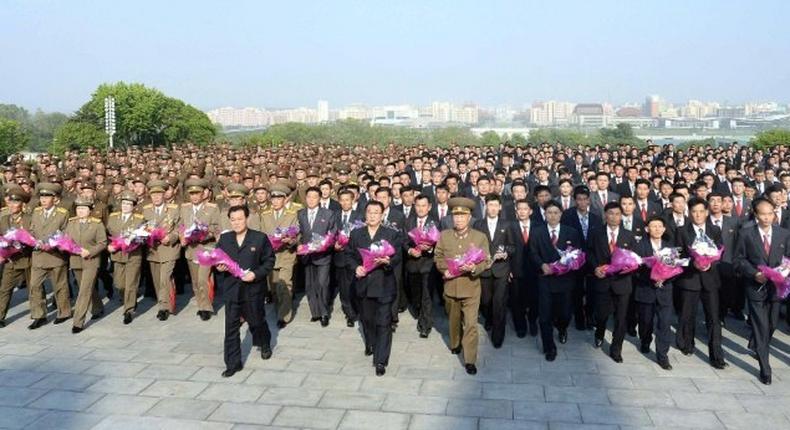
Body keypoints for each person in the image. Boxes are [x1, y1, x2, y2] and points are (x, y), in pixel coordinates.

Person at [215, 205, 276, 378]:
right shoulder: (225, 238)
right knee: (231, 327)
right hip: (232, 290)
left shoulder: (259, 238)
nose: (236, 223)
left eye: (240, 219)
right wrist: (219, 267)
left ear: (247, 218)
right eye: (233, 220)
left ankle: (264, 343)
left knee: (256, 321)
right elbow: (218, 258)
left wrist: (255, 274)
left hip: (253, 289)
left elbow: (269, 261)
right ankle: (233, 363)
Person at [734, 198, 790, 385]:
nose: (766, 218)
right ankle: (765, 368)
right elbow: (739, 260)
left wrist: (784, 271)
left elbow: (788, 258)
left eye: (770, 214)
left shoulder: (783, 234)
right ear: (756, 215)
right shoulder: (746, 234)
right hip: (755, 286)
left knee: (772, 323)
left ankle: (757, 344)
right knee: (761, 325)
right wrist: (754, 273)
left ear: (774, 214)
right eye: (762, 214)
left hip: (776, 288)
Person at [434, 197, 492, 375]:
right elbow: (438, 257)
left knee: (471, 324)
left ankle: (470, 359)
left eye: (462, 216)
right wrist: (444, 270)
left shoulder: (479, 237)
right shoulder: (444, 236)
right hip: (451, 286)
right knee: (453, 320)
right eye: (455, 216)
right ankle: (455, 342)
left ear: (469, 218)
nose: (458, 219)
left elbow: (487, 261)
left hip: (471, 287)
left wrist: (475, 267)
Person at [348, 200, 402, 376]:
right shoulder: (356, 234)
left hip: (384, 285)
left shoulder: (390, 234)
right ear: (365, 214)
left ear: (382, 215)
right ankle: (370, 343)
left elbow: (398, 255)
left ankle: (381, 360)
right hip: (363, 285)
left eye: (376, 212)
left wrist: (388, 261)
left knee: (384, 323)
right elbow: (349, 255)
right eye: (369, 212)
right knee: (367, 320)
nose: (372, 215)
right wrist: (356, 267)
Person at [674, 197, 728, 369]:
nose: (697, 215)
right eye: (694, 212)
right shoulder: (682, 231)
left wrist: (710, 262)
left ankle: (716, 355)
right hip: (690, 279)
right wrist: (693, 263)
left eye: (701, 211)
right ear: (689, 213)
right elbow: (678, 255)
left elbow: (720, 251)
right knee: (687, 315)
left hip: (710, 280)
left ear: (706, 212)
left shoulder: (714, 229)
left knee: (713, 317)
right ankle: (687, 344)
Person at [529, 200, 582, 361]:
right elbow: (532, 252)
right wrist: (541, 265)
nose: (552, 216)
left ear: (561, 214)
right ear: (545, 214)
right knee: (545, 315)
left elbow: (578, 253)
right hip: (545, 279)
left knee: (565, 313)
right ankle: (549, 347)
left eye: (556, 212)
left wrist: (570, 263)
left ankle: (562, 327)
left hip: (565, 280)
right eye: (549, 213)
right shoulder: (537, 232)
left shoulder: (571, 232)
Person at [589, 201, 636, 363]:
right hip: (602, 281)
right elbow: (589, 252)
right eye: (611, 214)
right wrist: (595, 267)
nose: (614, 217)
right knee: (601, 314)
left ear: (621, 216)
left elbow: (634, 259)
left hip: (622, 283)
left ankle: (616, 349)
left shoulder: (629, 235)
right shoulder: (596, 233)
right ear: (605, 215)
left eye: (617, 214)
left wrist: (628, 267)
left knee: (621, 318)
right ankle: (599, 332)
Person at [473, 194, 515, 348]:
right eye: (490, 205)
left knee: (499, 303)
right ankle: (489, 318)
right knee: (485, 301)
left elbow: (512, 246)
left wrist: (506, 253)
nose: (492, 208)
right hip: (484, 269)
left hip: (501, 269)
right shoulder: (478, 224)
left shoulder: (507, 224)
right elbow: (474, 246)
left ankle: (498, 336)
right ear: (485, 207)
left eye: (495, 205)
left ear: (500, 207)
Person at [633, 216, 675, 370]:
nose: (657, 229)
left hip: (665, 290)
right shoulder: (639, 246)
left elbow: (675, 268)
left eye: (660, 226)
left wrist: (664, 278)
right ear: (647, 229)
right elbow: (635, 268)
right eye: (653, 226)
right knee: (645, 322)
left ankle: (662, 356)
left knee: (664, 324)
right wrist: (652, 277)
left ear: (664, 229)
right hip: (646, 289)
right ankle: (645, 340)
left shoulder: (670, 246)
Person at [28, 182, 71, 329]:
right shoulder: (36, 212)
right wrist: (33, 240)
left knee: (60, 286)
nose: (44, 199)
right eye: (42, 196)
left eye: (47, 196)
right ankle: (39, 315)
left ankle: (64, 312)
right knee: (34, 286)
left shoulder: (63, 214)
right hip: (39, 255)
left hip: (56, 256)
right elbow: (32, 230)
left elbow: (66, 234)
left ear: (55, 199)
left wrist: (54, 243)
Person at [260, 182, 300, 328]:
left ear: (285, 199)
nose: (276, 201)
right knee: (274, 287)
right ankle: (279, 309)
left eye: (279, 198)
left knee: (285, 285)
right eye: (273, 198)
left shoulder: (292, 215)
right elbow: (261, 234)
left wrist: (291, 240)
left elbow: (298, 235)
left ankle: (284, 316)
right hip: (270, 257)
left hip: (286, 255)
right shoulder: (265, 215)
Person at [179, 178, 221, 321]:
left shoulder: (212, 208)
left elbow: (217, 227)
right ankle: (200, 304)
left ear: (204, 194)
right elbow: (181, 226)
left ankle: (207, 307)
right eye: (192, 194)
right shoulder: (184, 208)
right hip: (191, 249)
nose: (194, 197)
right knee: (196, 281)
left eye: (197, 193)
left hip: (206, 248)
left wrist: (204, 234)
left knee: (204, 279)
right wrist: (182, 237)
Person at [67, 197, 108, 333]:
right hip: (75, 259)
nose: (81, 211)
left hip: (91, 260)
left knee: (84, 290)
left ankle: (78, 321)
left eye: (84, 208)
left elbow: (103, 243)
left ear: (90, 210)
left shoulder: (97, 224)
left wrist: (90, 252)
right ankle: (97, 307)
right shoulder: (71, 223)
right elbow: (66, 239)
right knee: (86, 287)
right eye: (78, 208)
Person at [142, 180, 181, 320]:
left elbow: (179, 228)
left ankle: (164, 308)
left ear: (164, 195)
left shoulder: (174, 209)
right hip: (153, 250)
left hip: (168, 248)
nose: (156, 197)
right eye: (154, 195)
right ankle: (165, 302)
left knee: (165, 277)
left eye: (159, 194)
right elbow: (141, 227)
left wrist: (171, 237)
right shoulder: (146, 210)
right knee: (158, 279)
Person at [297, 186, 337, 326]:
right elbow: (298, 233)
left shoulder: (328, 214)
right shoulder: (300, 214)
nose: (311, 199)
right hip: (307, 256)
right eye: (309, 197)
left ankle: (324, 312)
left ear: (320, 199)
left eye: (314, 197)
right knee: (310, 285)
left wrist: (324, 244)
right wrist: (298, 244)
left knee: (322, 284)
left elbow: (333, 233)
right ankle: (315, 312)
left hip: (323, 256)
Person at [106, 191, 145, 324]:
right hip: (118, 255)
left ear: (133, 206)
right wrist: (109, 245)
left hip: (133, 255)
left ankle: (128, 310)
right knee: (119, 284)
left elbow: (143, 238)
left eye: (129, 204)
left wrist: (133, 240)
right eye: (124, 203)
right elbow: (106, 234)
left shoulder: (140, 219)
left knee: (131, 284)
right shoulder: (112, 217)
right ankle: (129, 300)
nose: (126, 206)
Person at [403, 194, 438, 338]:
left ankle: (425, 325)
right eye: (418, 205)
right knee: (416, 294)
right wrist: (410, 250)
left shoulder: (435, 222)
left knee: (427, 295)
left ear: (429, 207)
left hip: (428, 264)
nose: (420, 209)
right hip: (412, 263)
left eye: (424, 206)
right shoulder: (409, 221)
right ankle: (418, 309)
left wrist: (429, 249)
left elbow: (439, 243)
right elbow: (403, 241)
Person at [0, 186, 32, 327]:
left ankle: (38, 313)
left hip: (28, 259)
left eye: (16, 202)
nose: (12, 205)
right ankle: (0, 316)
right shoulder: (3, 219)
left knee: (35, 288)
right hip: (10, 260)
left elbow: (33, 238)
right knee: (5, 289)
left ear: (22, 204)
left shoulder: (29, 219)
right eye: (10, 202)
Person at [332, 188, 363, 327]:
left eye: (347, 200)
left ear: (353, 200)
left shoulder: (360, 216)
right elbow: (328, 233)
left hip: (355, 257)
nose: (345, 203)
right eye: (342, 200)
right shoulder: (334, 216)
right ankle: (349, 313)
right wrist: (334, 244)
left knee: (355, 286)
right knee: (344, 288)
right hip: (339, 256)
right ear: (339, 201)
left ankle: (357, 309)